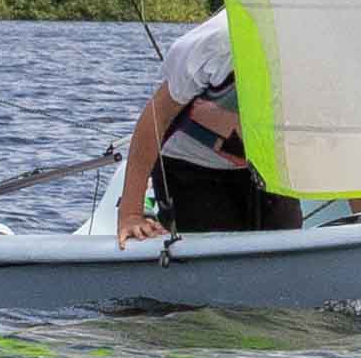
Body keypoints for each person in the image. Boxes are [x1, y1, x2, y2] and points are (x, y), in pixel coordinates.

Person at [115, 15, 298, 245]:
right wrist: (130, 214)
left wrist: (358, 227)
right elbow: (156, 117)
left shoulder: (332, 54)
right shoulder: (220, 42)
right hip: (190, 168)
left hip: (269, 168)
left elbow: (346, 141)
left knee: (283, 247)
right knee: (221, 250)